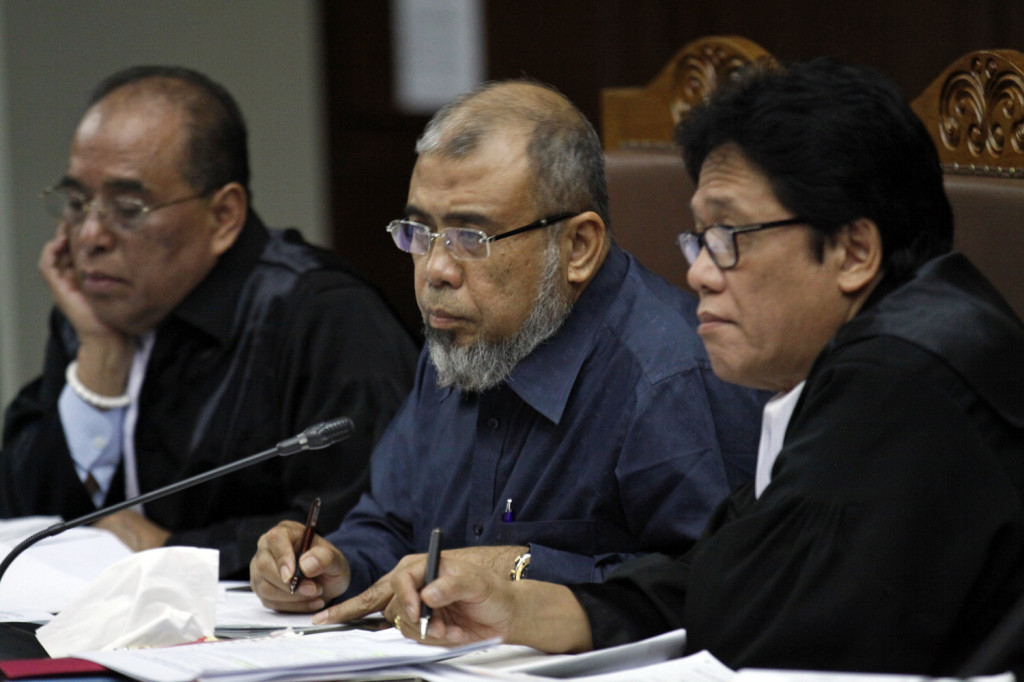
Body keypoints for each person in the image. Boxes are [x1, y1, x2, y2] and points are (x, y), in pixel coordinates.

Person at [382, 59, 1024, 676]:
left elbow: (763, 634)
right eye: (699, 238)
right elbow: (715, 582)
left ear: (854, 251)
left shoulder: (904, 381)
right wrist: (521, 607)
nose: (698, 273)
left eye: (729, 238)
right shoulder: (863, 362)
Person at [249, 80, 768, 620]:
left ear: (578, 248)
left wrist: (520, 570)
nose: (436, 272)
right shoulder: (458, 339)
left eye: (471, 239)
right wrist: (336, 566)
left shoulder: (669, 375)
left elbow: (715, 585)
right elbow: (392, 524)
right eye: (420, 232)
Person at [0, 66, 419, 579]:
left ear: (223, 216)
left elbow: (368, 535)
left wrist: (178, 551)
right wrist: (99, 359)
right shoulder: (96, 309)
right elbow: (23, 524)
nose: (90, 236)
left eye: (127, 208)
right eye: (77, 203)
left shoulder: (326, 318)